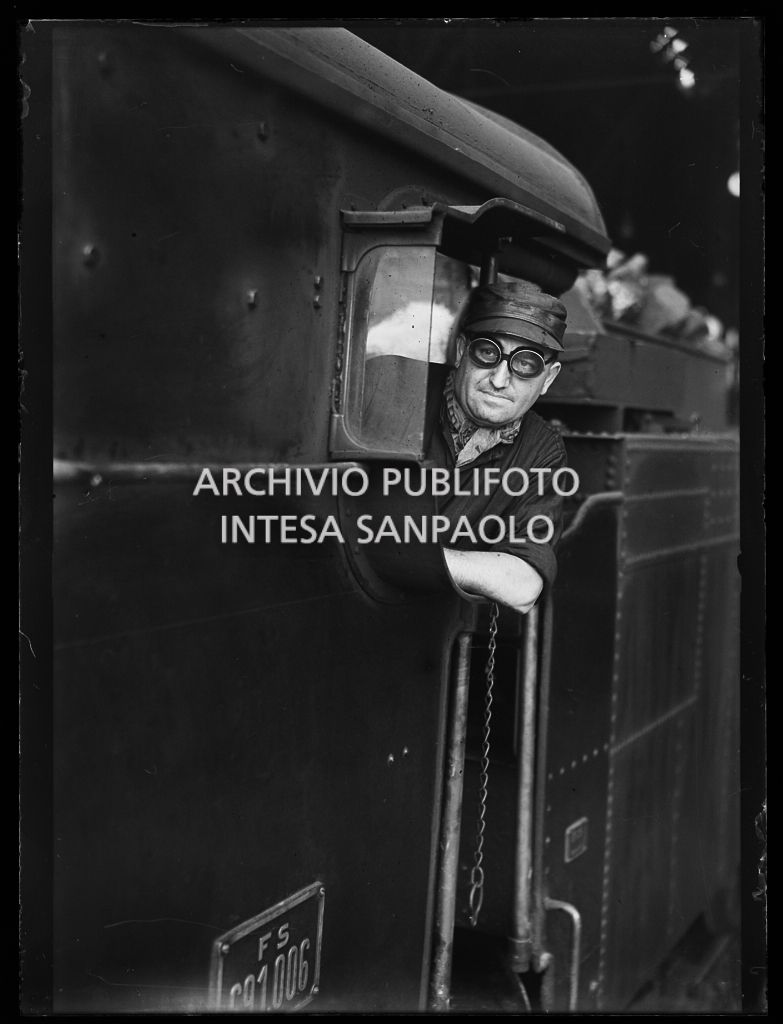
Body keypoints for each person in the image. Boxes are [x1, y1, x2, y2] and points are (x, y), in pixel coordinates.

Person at [428, 280, 568, 615]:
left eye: (526, 363)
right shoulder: (407, 400)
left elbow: (523, 584)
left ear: (548, 378)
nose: (500, 380)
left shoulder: (542, 451)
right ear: (462, 350)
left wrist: (421, 559)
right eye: (488, 352)